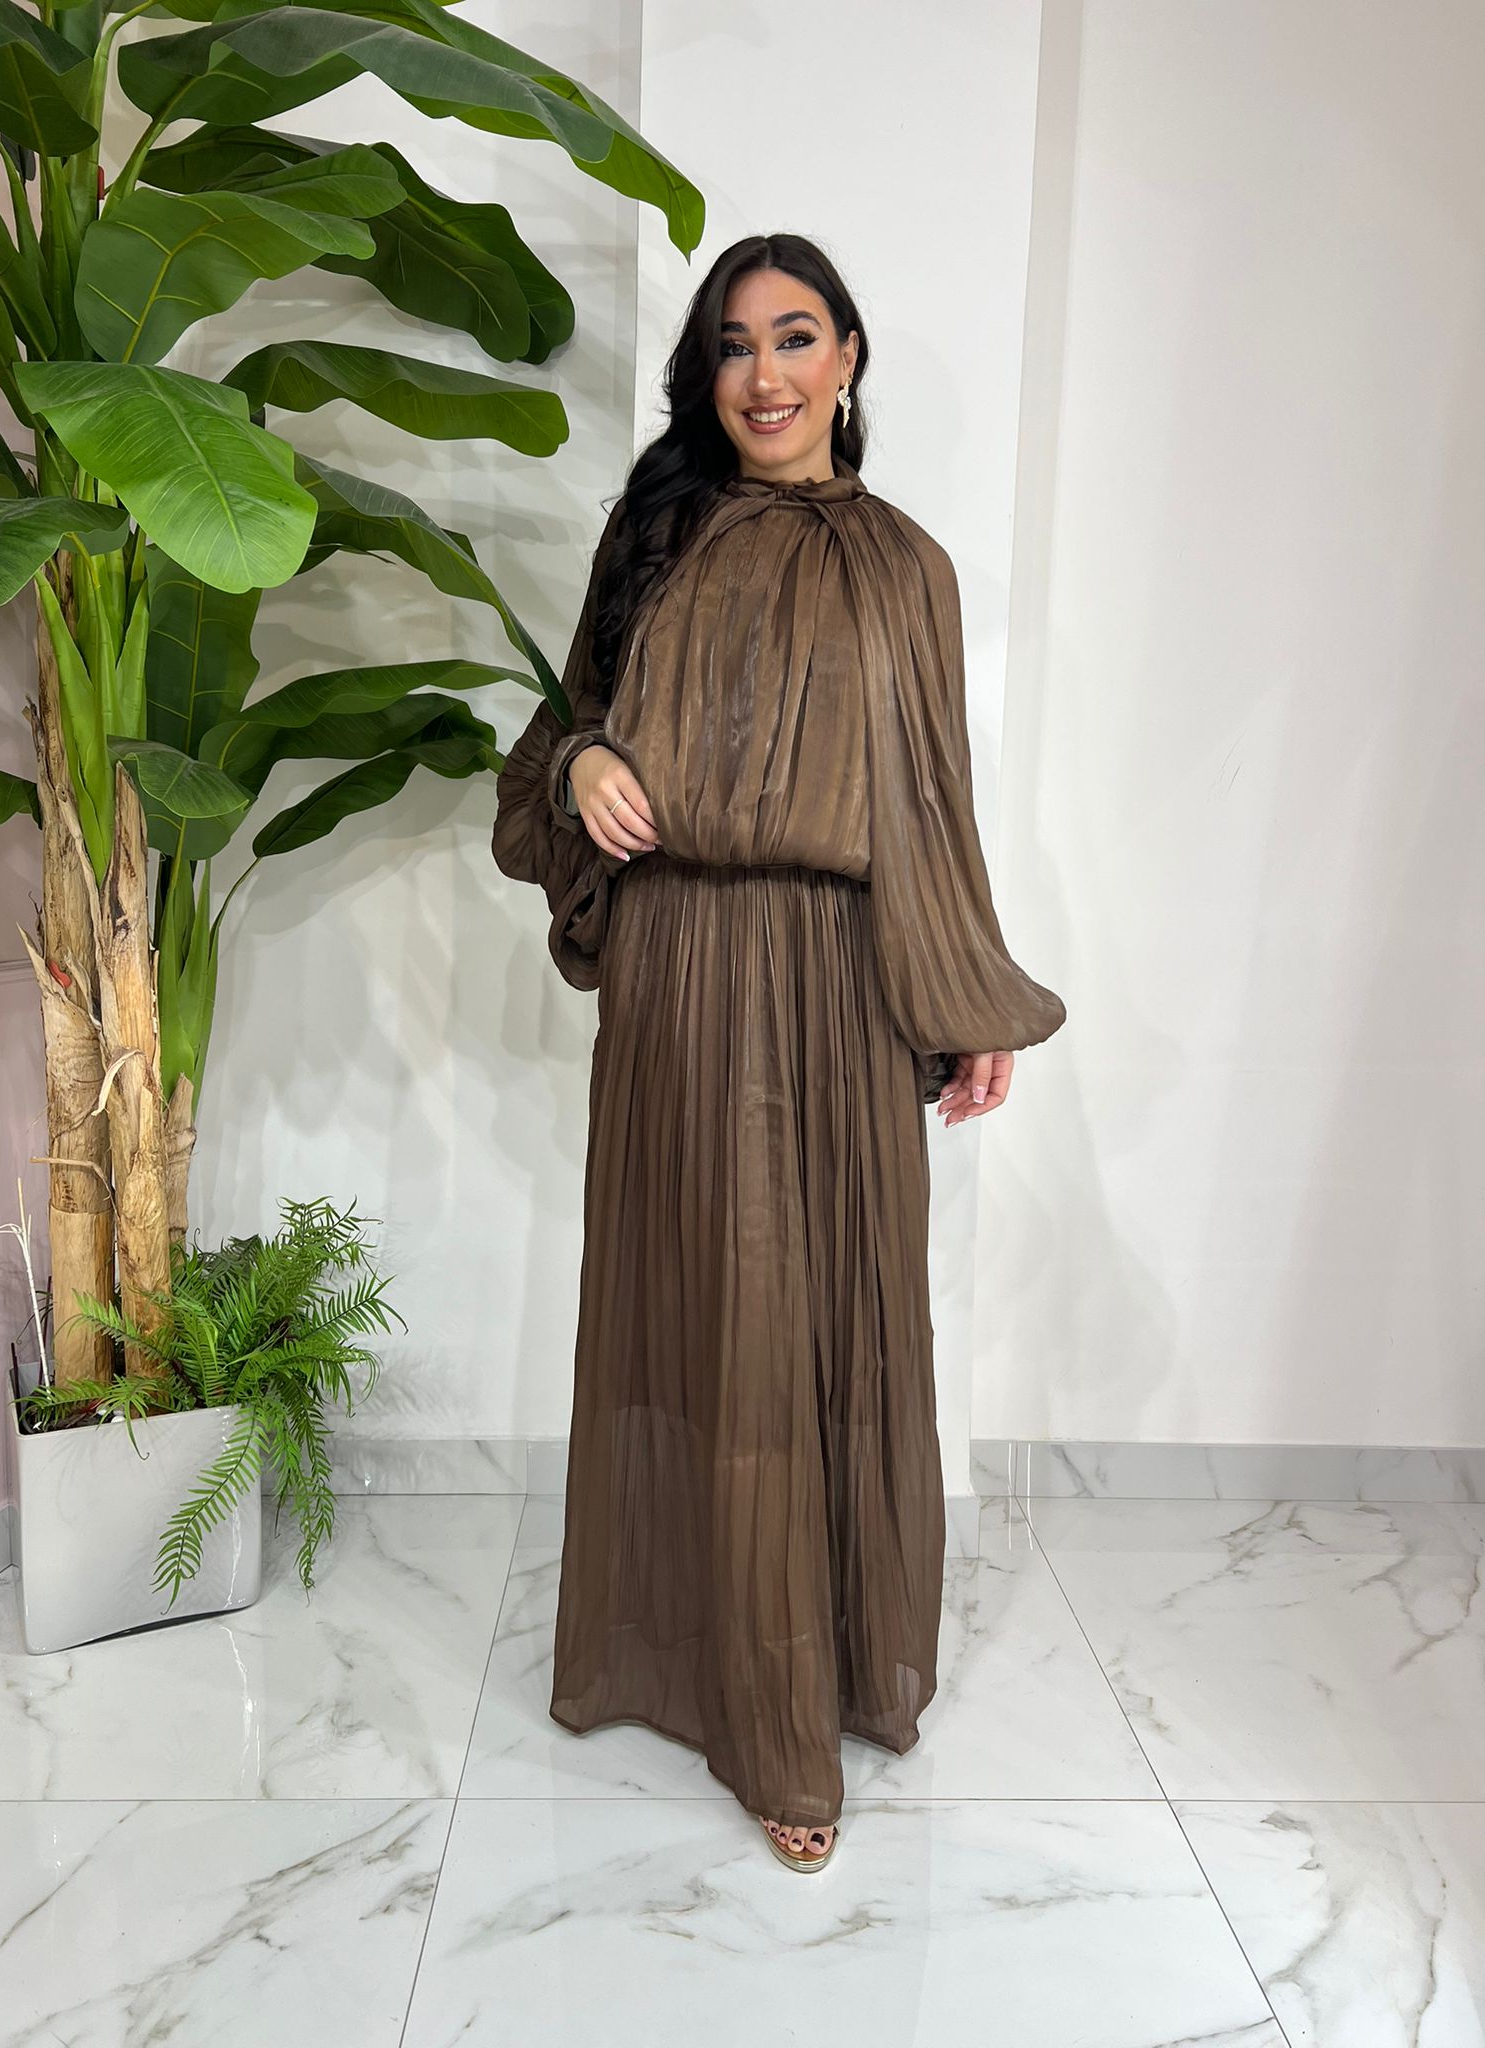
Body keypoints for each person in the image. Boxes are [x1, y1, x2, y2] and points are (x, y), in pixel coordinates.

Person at [491, 232, 1066, 1873]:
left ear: (849, 358)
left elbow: (933, 808)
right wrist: (588, 763)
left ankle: (832, 1666)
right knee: (710, 1321)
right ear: (708, 372)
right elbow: (552, 746)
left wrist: (967, 1005)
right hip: (682, 971)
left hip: (844, 980)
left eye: (796, 337)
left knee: (840, 1319)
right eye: (735, 344)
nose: (765, 375)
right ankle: (750, 1716)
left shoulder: (911, 569)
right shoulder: (654, 537)